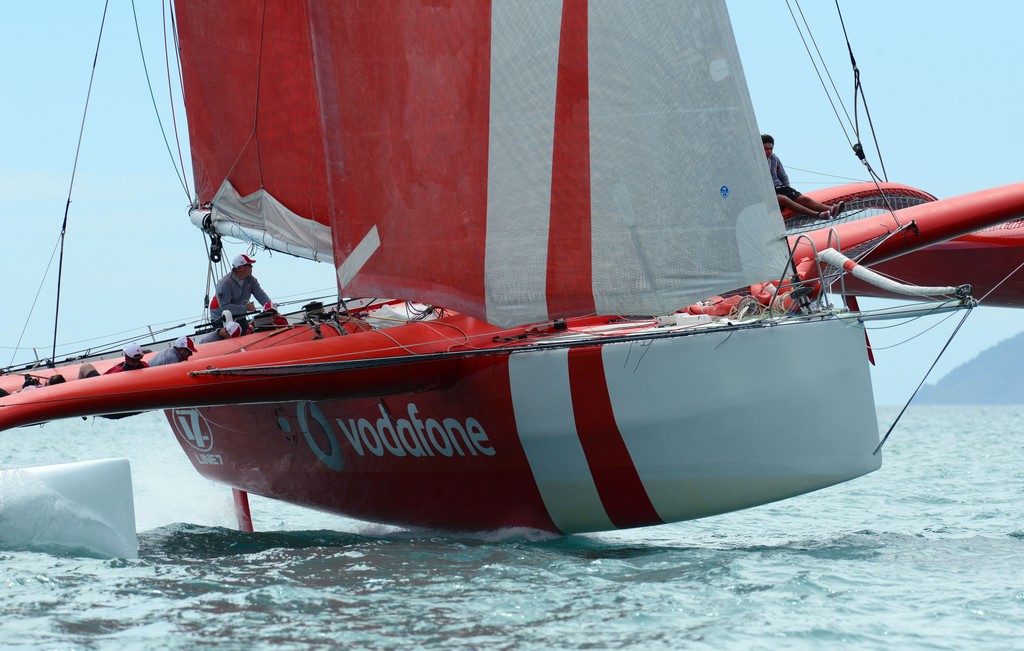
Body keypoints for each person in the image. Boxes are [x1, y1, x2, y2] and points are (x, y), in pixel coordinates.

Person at [762, 134, 844, 220]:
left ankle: (831, 209)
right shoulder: (756, 163)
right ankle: (817, 215)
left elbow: (783, 177)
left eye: (770, 149)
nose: (769, 151)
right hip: (769, 193)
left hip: (780, 188)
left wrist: (788, 189)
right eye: (766, 149)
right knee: (783, 199)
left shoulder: (774, 159)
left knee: (803, 199)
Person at [211, 254, 271, 334]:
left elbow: (261, 296)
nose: (252, 267)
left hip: (239, 316)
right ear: (241, 267)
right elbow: (225, 307)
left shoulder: (251, 280)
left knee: (246, 335)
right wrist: (245, 308)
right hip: (221, 319)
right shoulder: (225, 283)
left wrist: (270, 308)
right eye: (249, 265)